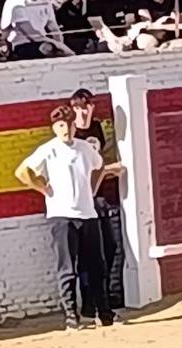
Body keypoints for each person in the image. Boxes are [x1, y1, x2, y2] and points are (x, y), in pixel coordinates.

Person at [14, 105, 116, 330]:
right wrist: (42, 188)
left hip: (88, 214)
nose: (66, 130)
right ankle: (71, 316)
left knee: (97, 266)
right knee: (67, 268)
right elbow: (22, 172)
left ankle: (104, 312)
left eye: (69, 125)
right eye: (61, 126)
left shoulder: (85, 148)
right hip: (62, 215)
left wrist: (92, 187)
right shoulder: (48, 150)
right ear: (54, 128)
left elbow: (100, 167)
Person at [69, 87, 125, 318]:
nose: (83, 110)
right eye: (79, 107)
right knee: (86, 253)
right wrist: (106, 171)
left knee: (109, 247)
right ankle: (89, 300)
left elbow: (99, 157)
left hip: (98, 195)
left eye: (87, 105)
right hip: (81, 197)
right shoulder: (71, 134)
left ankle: (99, 293)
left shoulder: (97, 128)